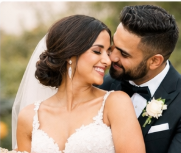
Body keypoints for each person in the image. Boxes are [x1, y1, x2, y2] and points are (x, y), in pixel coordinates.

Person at [14, 15, 145, 153]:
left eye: (108, 53)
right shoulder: (29, 117)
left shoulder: (115, 103)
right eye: (97, 51)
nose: (108, 61)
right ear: (70, 54)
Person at [98, 5, 181, 153]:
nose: (112, 57)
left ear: (155, 61)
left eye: (124, 54)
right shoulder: (101, 85)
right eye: (113, 46)